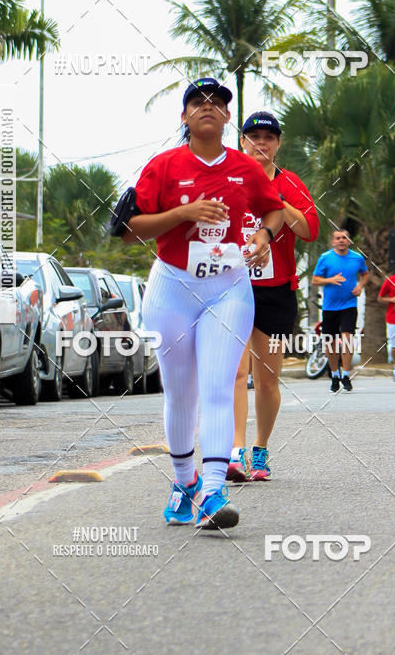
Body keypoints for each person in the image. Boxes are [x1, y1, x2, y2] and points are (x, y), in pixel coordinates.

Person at [123, 78, 284, 530]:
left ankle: (213, 490)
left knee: (218, 385)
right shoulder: (163, 166)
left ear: (228, 117)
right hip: (172, 286)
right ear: (185, 117)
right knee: (180, 393)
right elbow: (132, 228)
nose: (208, 108)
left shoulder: (245, 167)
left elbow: (272, 209)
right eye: (198, 102)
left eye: (218, 103)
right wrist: (183, 214)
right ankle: (184, 483)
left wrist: (263, 235)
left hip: (229, 286)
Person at [229, 112, 319, 483]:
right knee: (235, 374)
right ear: (242, 141)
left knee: (267, 378)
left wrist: (279, 201)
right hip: (231, 287)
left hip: (277, 292)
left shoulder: (290, 183)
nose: (260, 143)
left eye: (268, 137)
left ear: (278, 144)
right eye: (253, 136)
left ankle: (260, 449)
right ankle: (235, 452)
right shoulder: (229, 179)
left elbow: (311, 230)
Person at [311, 229, 369, 392]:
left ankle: (346, 374)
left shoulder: (357, 258)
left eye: (344, 237)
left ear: (349, 241)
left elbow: (365, 274)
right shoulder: (325, 258)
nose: (341, 240)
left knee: (348, 338)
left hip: (349, 305)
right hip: (330, 307)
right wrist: (331, 279)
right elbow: (315, 280)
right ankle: (335, 375)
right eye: (338, 238)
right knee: (330, 343)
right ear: (333, 242)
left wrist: (360, 286)